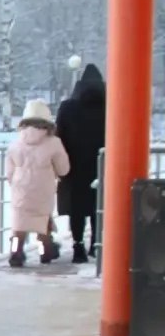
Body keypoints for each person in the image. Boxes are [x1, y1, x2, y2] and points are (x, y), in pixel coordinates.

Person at [7, 100, 71, 268]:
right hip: (43, 190)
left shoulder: (15, 144)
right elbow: (63, 169)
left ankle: (15, 252)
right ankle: (45, 252)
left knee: (19, 224)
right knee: (43, 223)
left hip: (21, 189)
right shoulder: (54, 143)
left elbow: (9, 172)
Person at [55, 64, 106, 263]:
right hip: (102, 165)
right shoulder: (112, 106)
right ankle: (96, 244)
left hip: (74, 166)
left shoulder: (67, 107)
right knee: (98, 205)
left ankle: (78, 247)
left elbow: (59, 136)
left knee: (76, 208)